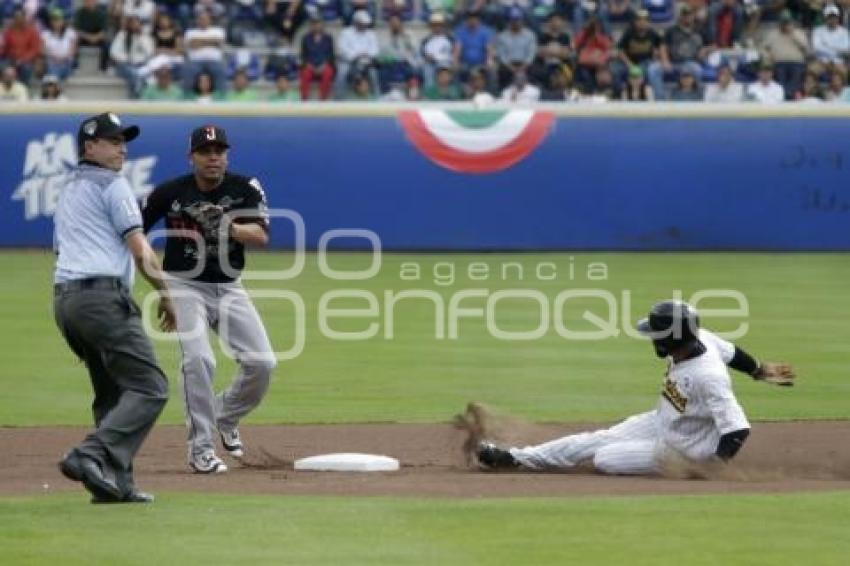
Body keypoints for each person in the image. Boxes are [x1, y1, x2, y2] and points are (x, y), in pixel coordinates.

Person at [477, 300, 794, 475]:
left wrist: (713, 467)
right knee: (595, 439)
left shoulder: (708, 376)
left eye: (657, 333)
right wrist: (757, 370)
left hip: (682, 448)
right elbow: (732, 352)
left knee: (604, 459)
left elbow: (737, 429)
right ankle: (515, 458)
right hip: (663, 420)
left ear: (672, 338)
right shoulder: (702, 337)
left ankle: (678, 463)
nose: (653, 338)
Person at [54, 112, 174, 503]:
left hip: (67, 299)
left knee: (112, 393)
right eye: (113, 140)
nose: (123, 147)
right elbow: (140, 249)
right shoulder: (113, 184)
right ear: (90, 147)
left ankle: (115, 484)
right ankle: (89, 454)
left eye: (124, 140)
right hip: (102, 299)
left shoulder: (69, 187)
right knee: (151, 387)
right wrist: (167, 293)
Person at [142, 125, 276, 474]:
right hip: (184, 284)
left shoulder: (245, 187)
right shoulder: (170, 193)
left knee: (263, 364)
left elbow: (261, 234)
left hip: (230, 286)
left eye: (219, 151)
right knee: (199, 360)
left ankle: (224, 417)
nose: (213, 157)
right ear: (192, 157)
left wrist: (228, 226)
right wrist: (161, 290)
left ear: (227, 155)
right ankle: (200, 449)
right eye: (205, 151)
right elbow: (134, 232)